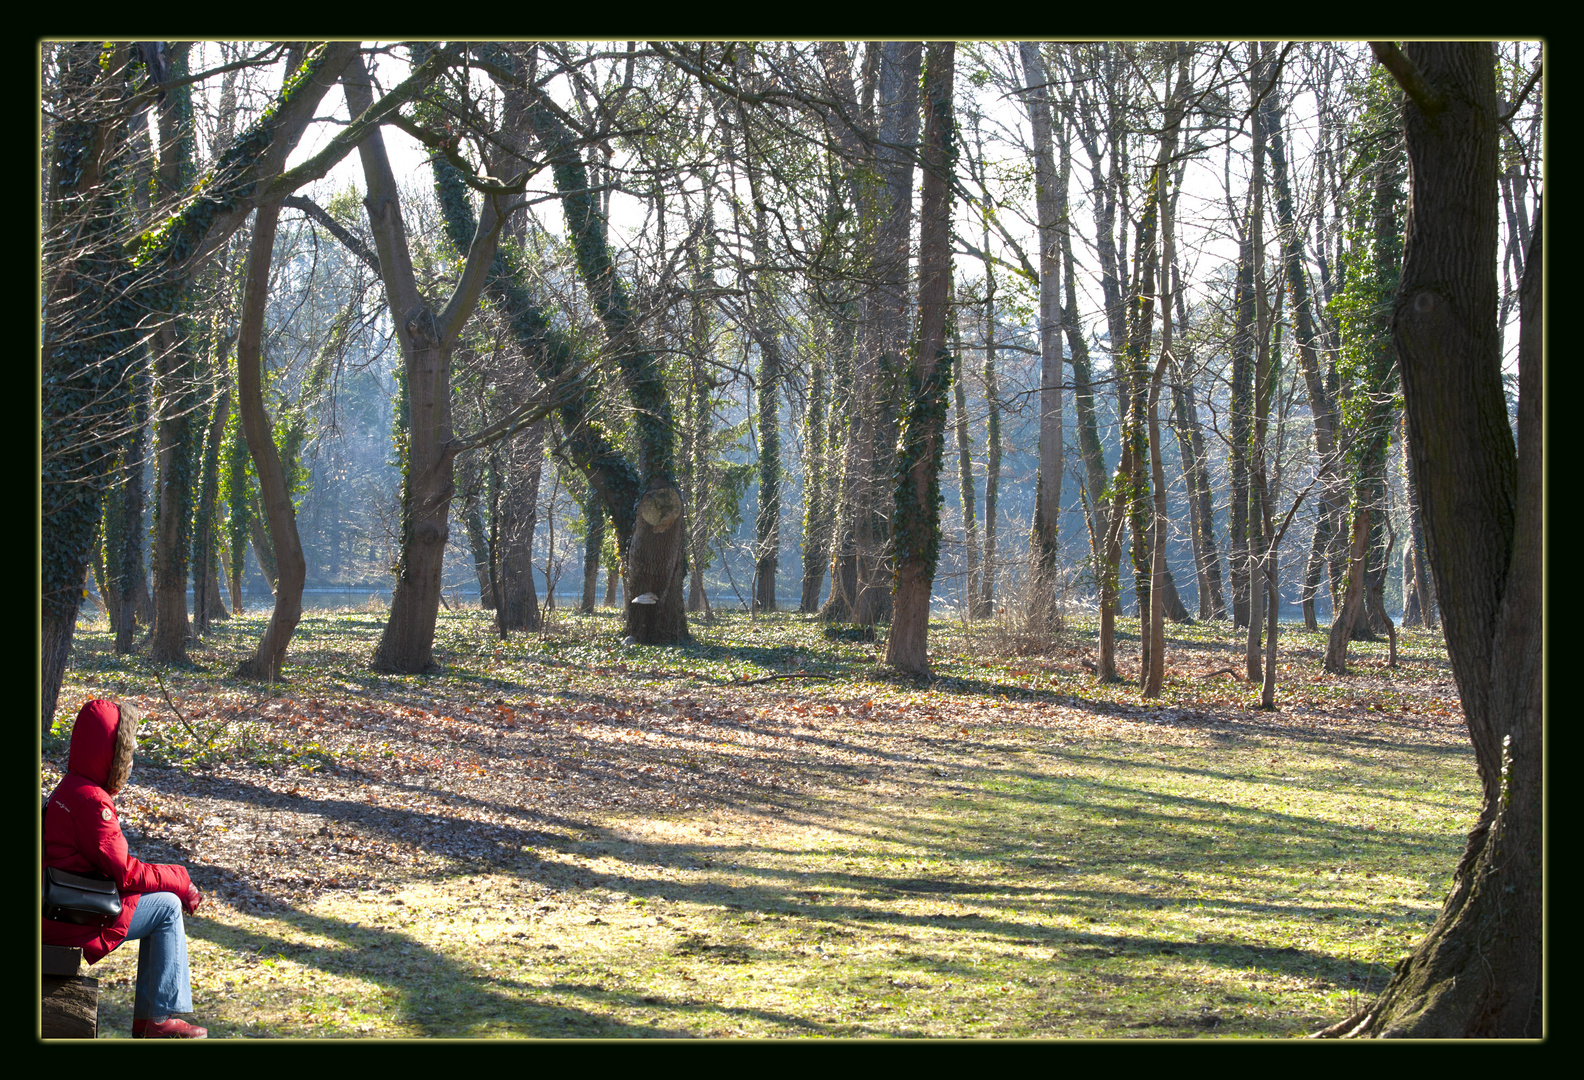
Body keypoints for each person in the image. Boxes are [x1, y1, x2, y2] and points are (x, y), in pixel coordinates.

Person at [43, 699, 207, 1039]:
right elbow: (126, 873)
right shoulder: (92, 801)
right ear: (111, 751)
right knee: (167, 907)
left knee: (160, 901)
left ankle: (152, 1018)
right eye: (126, 748)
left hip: (58, 907)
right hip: (70, 917)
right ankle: (156, 1019)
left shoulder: (70, 787)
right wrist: (181, 879)